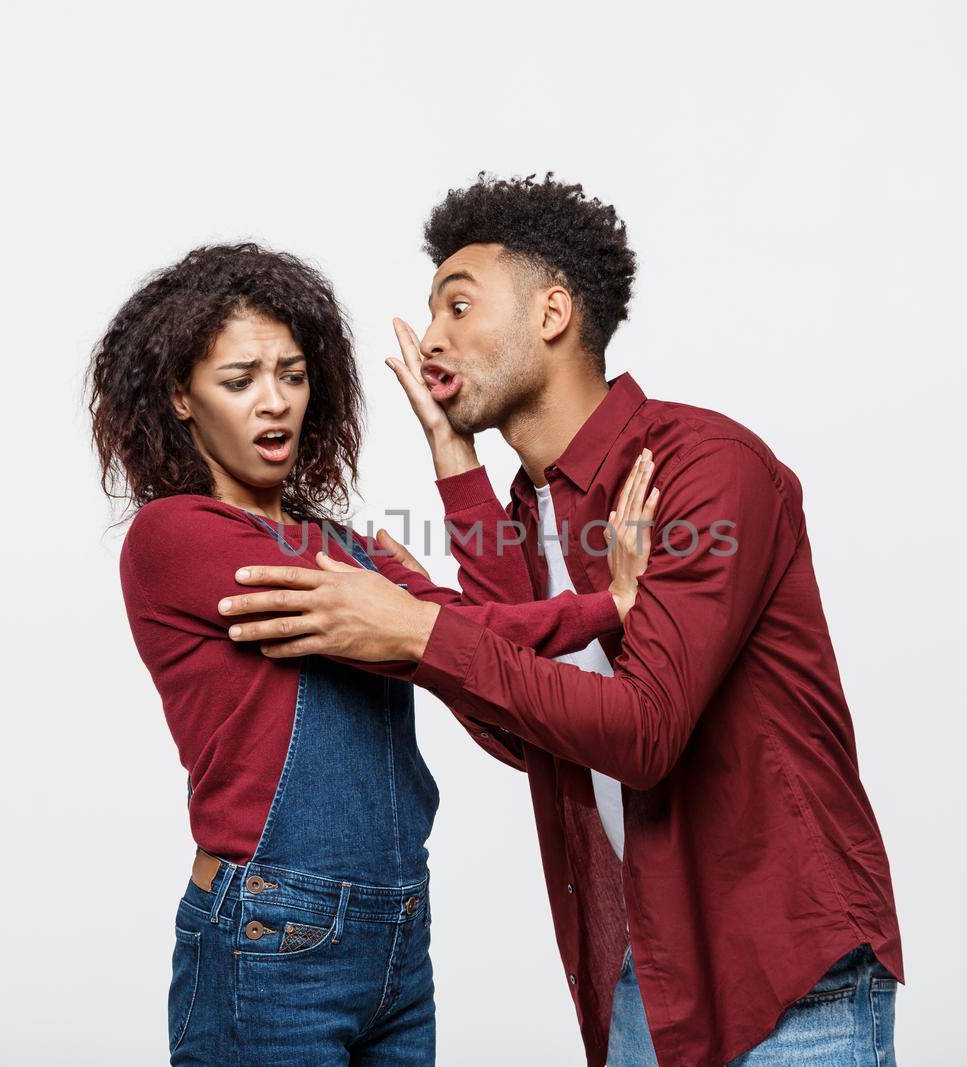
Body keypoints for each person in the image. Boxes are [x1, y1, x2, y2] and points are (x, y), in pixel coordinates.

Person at [218, 176, 904, 1067]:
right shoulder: (526, 508)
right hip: (648, 981)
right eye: (432, 313)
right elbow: (533, 730)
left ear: (552, 312)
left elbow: (643, 733)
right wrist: (453, 472)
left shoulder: (701, 468)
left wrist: (421, 631)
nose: (432, 338)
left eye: (460, 305)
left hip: (788, 979)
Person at [86, 241, 658, 1065]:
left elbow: (459, 626)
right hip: (272, 927)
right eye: (239, 380)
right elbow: (432, 633)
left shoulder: (343, 545)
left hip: (395, 927)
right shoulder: (177, 535)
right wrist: (609, 605)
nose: (273, 401)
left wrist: (453, 479)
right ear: (181, 397)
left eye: (291, 373)